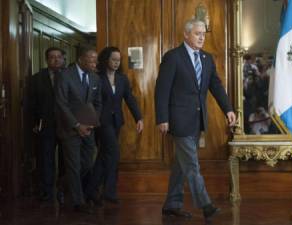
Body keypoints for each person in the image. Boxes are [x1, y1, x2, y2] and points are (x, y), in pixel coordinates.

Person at [155, 19, 236, 221]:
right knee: (191, 164)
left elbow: (215, 86)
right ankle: (206, 205)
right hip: (178, 120)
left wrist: (228, 109)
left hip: (198, 120)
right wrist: (162, 118)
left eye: (203, 34)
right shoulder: (173, 57)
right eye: (197, 33)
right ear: (186, 34)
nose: (201, 37)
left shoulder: (207, 59)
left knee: (181, 164)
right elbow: (162, 90)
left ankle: (172, 204)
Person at [86, 46, 143, 205]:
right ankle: (109, 192)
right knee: (113, 153)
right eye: (113, 59)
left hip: (116, 121)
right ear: (106, 60)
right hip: (101, 122)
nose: (117, 63)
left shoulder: (122, 79)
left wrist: (139, 118)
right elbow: (90, 101)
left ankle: (91, 191)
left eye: (119, 60)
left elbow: (129, 99)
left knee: (104, 155)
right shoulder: (96, 77)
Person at [55, 47, 101, 214]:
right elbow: (61, 104)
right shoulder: (65, 75)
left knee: (87, 164)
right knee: (74, 165)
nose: (94, 63)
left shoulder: (95, 78)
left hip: (89, 129)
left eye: (96, 60)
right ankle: (78, 202)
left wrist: (91, 124)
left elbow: (98, 103)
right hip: (70, 129)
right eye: (91, 60)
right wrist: (76, 125)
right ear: (81, 59)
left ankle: (63, 184)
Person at [28, 47, 66, 204]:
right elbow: (31, 104)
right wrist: (34, 123)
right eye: (52, 57)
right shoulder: (36, 79)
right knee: (46, 159)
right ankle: (47, 191)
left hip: (66, 125)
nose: (56, 60)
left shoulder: (69, 76)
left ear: (63, 59)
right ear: (46, 60)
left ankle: (63, 190)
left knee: (65, 160)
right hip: (46, 125)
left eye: (58, 57)